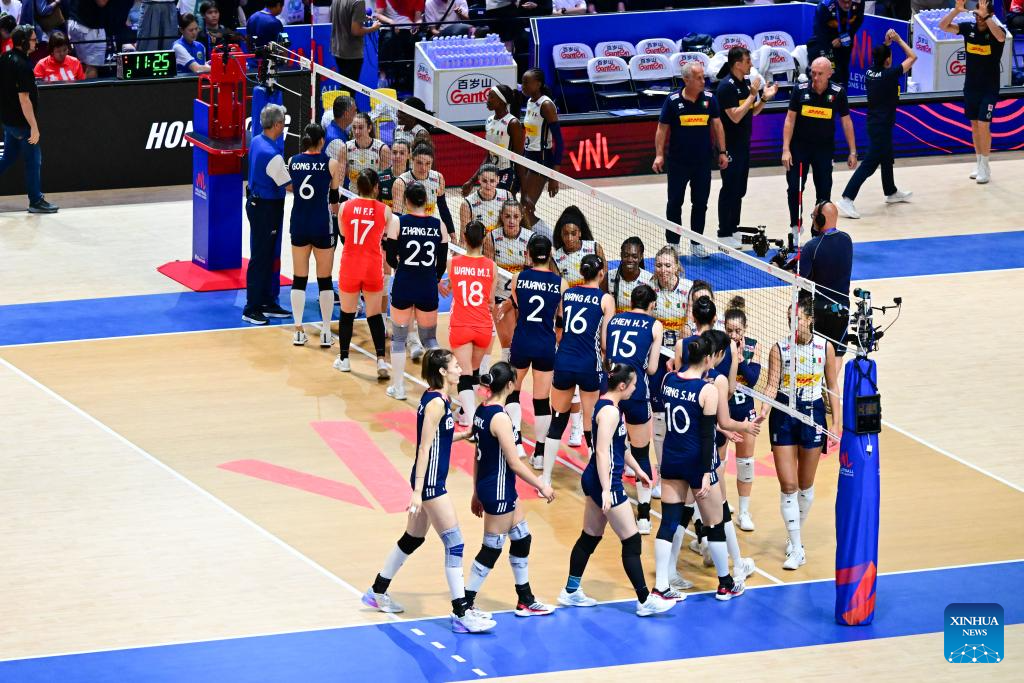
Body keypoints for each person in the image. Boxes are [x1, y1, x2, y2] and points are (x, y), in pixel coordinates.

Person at [362, 348, 497, 634]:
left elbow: (439, 437)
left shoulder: (439, 398)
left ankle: (377, 590)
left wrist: (463, 435)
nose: (460, 369)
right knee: (455, 544)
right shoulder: (436, 403)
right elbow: (423, 447)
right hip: (431, 483)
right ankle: (461, 612)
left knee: (412, 538)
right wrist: (418, 491)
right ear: (442, 372)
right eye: (455, 366)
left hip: (428, 481)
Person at [558, 363, 676, 617]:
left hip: (597, 478)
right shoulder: (610, 412)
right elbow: (601, 451)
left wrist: (640, 470)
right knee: (631, 539)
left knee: (590, 536)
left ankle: (570, 590)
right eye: (633, 384)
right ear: (622, 386)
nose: (635, 388)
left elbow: (619, 447)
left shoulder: (610, 405)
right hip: (606, 481)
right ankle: (644, 600)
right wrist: (605, 490)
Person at [654, 336, 744, 601]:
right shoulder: (707, 391)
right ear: (707, 359)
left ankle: (661, 585)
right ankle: (725, 583)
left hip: (672, 458)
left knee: (668, 523)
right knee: (715, 522)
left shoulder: (667, 380)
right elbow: (707, 436)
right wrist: (706, 473)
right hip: (697, 462)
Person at [465, 361, 557, 616]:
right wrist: (542, 485)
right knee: (491, 548)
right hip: (498, 490)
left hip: (493, 486)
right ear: (509, 385)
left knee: (522, 538)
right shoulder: (500, 418)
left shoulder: (482, 410)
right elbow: (514, 463)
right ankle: (465, 604)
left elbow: (477, 455)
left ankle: (525, 599)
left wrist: (476, 491)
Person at [765, 293, 841, 570]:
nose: (792, 323)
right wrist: (763, 409)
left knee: (805, 485)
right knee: (788, 486)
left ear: (809, 319)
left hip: (813, 414)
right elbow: (771, 385)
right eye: (789, 319)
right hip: (783, 415)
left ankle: (794, 536)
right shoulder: (779, 349)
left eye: (796, 318)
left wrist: (837, 423)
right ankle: (797, 548)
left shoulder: (825, 347)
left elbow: (832, 385)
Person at [540, 254, 615, 486]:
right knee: (590, 425)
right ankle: (595, 480)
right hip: (588, 364)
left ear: (582, 272)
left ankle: (545, 478)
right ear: (601, 273)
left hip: (564, 361)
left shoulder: (569, 294)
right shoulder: (606, 299)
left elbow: (560, 327)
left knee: (557, 421)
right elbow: (605, 342)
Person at [837, 29, 915, 219]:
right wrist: (898, 40)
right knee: (870, 164)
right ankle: (847, 198)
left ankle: (891, 191)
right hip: (881, 126)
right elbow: (913, 57)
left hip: (877, 123)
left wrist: (887, 43)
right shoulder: (890, 75)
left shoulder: (870, 72)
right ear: (888, 60)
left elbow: (880, 56)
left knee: (887, 158)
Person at [652, 61, 727, 258]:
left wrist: (722, 152)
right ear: (686, 80)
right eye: (699, 78)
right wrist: (659, 155)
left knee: (700, 203)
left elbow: (718, 126)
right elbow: (662, 129)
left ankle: (696, 243)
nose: (703, 81)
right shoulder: (672, 101)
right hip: (678, 163)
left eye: (703, 77)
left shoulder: (710, 99)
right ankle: (673, 243)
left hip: (702, 163)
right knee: (674, 203)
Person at [606, 284, 663, 535]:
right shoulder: (655, 325)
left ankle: (608, 499)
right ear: (652, 305)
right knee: (641, 453)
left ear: (631, 302)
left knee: (608, 446)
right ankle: (644, 516)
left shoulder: (616, 320)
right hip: (636, 392)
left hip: (612, 390)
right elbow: (652, 369)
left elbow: (608, 354)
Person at [385, 181, 449, 400]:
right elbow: (442, 264)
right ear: (427, 201)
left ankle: (398, 388)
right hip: (427, 286)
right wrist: (433, 278)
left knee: (399, 338)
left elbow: (390, 258)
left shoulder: (398, 222)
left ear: (406, 201)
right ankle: (440, 389)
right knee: (429, 339)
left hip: (404, 283)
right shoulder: (438, 225)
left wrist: (403, 268)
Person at [506, 234, 565, 467]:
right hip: (545, 344)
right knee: (541, 400)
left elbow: (518, 306)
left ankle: (516, 442)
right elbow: (561, 318)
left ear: (528, 254)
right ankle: (540, 454)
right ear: (550, 254)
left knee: (512, 391)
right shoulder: (560, 283)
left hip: (522, 341)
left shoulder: (518, 278)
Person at [781, 57, 857, 233]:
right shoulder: (800, 90)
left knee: (824, 191)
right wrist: (786, 149)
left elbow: (846, 122)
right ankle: (795, 226)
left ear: (830, 74)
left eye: (820, 74)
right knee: (795, 188)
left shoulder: (838, 92)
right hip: (799, 148)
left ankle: (819, 230)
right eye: (813, 73)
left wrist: (852, 151)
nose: (815, 78)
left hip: (824, 149)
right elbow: (789, 120)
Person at [286, 123, 344, 347]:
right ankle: (326, 332)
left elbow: (290, 186)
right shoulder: (331, 164)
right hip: (321, 224)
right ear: (321, 141)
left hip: (299, 223)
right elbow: (334, 201)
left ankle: (298, 331)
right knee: (325, 279)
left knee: (299, 279)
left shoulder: (293, 161)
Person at [716, 47, 777, 249]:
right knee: (729, 188)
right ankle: (723, 233)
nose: (751, 64)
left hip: (744, 145)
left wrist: (764, 98)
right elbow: (734, 116)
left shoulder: (746, 84)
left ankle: (733, 227)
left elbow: (753, 111)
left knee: (739, 189)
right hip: (730, 146)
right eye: (748, 61)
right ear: (737, 64)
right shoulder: (726, 87)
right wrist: (752, 95)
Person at [939, 0, 1005, 184]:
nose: (978, 18)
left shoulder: (996, 31)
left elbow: (1001, 38)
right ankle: (979, 162)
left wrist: (986, 16)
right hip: (971, 87)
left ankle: (985, 165)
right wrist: (956, 10)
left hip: (989, 88)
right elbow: (943, 26)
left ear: (990, 15)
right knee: (975, 125)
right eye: (976, 15)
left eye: (982, 16)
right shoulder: (968, 28)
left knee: (984, 125)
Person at [334, 168, 393, 378]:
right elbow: (387, 236)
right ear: (376, 188)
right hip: (372, 267)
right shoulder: (385, 210)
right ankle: (381, 361)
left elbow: (343, 233)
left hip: (350, 265)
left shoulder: (344, 207)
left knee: (347, 314)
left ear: (357, 187)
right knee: (374, 315)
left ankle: (344, 359)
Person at [243, 103, 291, 325]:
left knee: (266, 256)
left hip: (257, 203)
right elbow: (289, 185)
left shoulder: (256, 140)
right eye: (283, 123)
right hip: (266, 209)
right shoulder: (272, 154)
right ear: (278, 124)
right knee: (260, 258)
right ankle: (251, 307)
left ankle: (265, 302)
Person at [0, 24, 56, 213]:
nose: (36, 42)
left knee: (8, 158)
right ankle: (35, 201)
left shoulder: (5, 57)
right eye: (32, 39)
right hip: (21, 123)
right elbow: (24, 99)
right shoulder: (22, 66)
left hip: (8, 122)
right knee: (33, 161)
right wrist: (34, 127)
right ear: (23, 42)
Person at [447, 220, 497, 426]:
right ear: (484, 239)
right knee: (474, 372)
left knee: (465, 375)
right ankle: (464, 413)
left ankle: (471, 421)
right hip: (483, 326)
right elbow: (491, 301)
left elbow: (454, 287)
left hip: (461, 324)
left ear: (465, 238)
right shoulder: (492, 266)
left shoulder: (453, 262)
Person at [797, 201, 852, 382]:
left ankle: (816, 388)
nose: (813, 220)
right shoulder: (847, 240)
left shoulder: (812, 247)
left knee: (816, 351)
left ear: (820, 219)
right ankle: (829, 389)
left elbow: (800, 277)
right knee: (837, 353)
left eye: (814, 216)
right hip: (842, 309)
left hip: (818, 310)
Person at [723, 297, 761, 532]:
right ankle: (722, 504)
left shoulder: (753, 346)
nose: (734, 335)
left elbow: (753, 379)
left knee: (745, 462)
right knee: (719, 462)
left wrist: (739, 360)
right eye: (729, 330)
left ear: (745, 329)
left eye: (738, 331)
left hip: (745, 411)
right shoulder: (718, 346)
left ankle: (744, 512)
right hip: (723, 411)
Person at [483, 199, 531, 366]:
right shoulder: (492, 237)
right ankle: (505, 375)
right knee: (508, 344)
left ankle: (514, 374)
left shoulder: (529, 238)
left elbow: (530, 274)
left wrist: (514, 299)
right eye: (507, 216)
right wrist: (490, 299)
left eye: (516, 216)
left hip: (524, 296)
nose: (511, 221)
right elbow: (489, 272)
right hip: (501, 296)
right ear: (501, 217)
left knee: (523, 343)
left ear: (521, 217)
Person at [519, 68, 563, 236]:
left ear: (538, 84)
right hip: (528, 157)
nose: (523, 86)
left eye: (526, 83)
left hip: (542, 160)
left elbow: (560, 142)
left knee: (526, 211)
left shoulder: (546, 105)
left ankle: (553, 240)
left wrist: (554, 176)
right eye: (522, 82)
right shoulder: (530, 102)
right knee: (521, 208)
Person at [463, 84, 524, 195]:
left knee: (504, 204)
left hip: (509, 173)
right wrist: (472, 181)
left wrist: (523, 185)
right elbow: (488, 156)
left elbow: (520, 158)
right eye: (488, 96)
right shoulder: (489, 121)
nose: (487, 100)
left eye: (491, 97)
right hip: (492, 173)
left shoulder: (513, 123)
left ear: (501, 101)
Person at [392, 143, 455, 237]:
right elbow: (396, 214)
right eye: (419, 163)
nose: (423, 168)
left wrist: (452, 234)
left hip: (429, 230)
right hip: (409, 230)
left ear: (432, 162)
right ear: (412, 160)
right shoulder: (401, 182)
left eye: (428, 163)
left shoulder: (438, 178)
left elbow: (443, 208)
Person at [806, 0, 865, 88]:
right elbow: (819, 32)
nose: (847, 5)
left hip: (845, 37)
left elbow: (858, 21)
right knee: (828, 72)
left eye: (849, 2)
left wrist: (844, 38)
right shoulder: (824, 6)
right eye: (844, 2)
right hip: (826, 39)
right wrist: (828, 51)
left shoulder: (859, 2)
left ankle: (842, 94)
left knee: (843, 72)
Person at [330, 0, 379, 84]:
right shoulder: (358, 1)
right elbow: (356, 31)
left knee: (344, 85)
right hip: (351, 52)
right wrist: (373, 28)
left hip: (337, 49)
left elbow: (342, 17)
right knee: (350, 87)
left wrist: (361, 18)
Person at [459, 164, 512, 242]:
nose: (488, 185)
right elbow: (463, 238)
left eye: (492, 181)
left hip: (502, 244)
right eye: (484, 181)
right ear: (479, 179)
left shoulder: (507, 196)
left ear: (498, 179)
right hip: (479, 245)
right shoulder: (467, 204)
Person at [343, 112, 391, 188]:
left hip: (373, 193)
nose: (356, 131)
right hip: (353, 193)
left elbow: (384, 180)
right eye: (354, 127)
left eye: (360, 128)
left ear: (369, 128)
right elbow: (340, 176)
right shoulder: (345, 148)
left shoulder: (382, 149)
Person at [607, 236, 652, 313]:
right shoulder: (608, 276)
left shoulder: (649, 279)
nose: (630, 260)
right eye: (626, 255)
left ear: (641, 257)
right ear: (621, 255)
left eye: (634, 256)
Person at [67, 0, 107, 80]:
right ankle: (90, 88)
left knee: (83, 65)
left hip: (76, 22)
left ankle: (80, 87)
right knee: (92, 67)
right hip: (88, 27)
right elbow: (102, 2)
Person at [378, 138, 409, 208]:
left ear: (408, 156)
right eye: (394, 152)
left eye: (402, 153)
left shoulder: (414, 177)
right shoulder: (380, 177)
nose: (397, 156)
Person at [324, 95, 356, 162]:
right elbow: (350, 164)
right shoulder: (335, 141)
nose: (356, 114)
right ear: (346, 114)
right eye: (354, 111)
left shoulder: (338, 128)